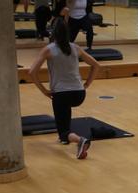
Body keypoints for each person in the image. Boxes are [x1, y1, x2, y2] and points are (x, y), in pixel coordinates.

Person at [27, 19, 99, 158]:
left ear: (52, 32)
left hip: (61, 94)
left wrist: (44, 90)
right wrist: (86, 85)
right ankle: (67, 139)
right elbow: (96, 65)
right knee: (65, 113)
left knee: (64, 131)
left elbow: (32, 72)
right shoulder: (75, 47)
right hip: (79, 94)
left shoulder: (49, 49)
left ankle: (80, 140)